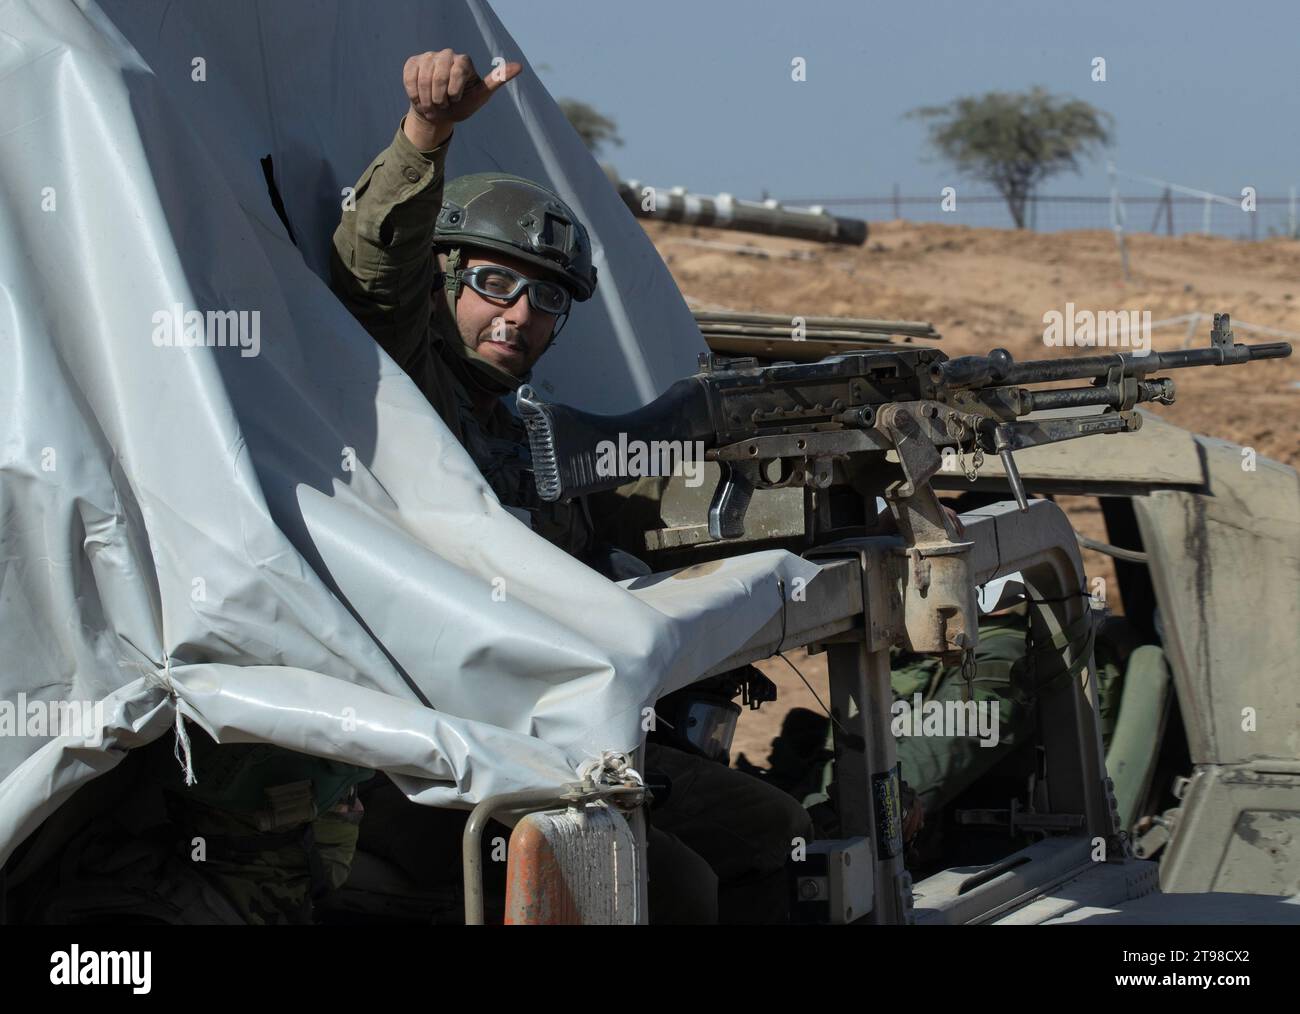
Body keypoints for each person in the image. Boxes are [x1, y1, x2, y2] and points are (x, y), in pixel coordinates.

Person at [330, 48, 810, 924]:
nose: (518, 314)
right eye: (492, 283)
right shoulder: (399, 392)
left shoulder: (532, 431)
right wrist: (427, 132)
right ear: (443, 279)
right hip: (438, 751)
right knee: (680, 887)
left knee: (773, 828)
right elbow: (373, 273)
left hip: (561, 737)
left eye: (545, 300)